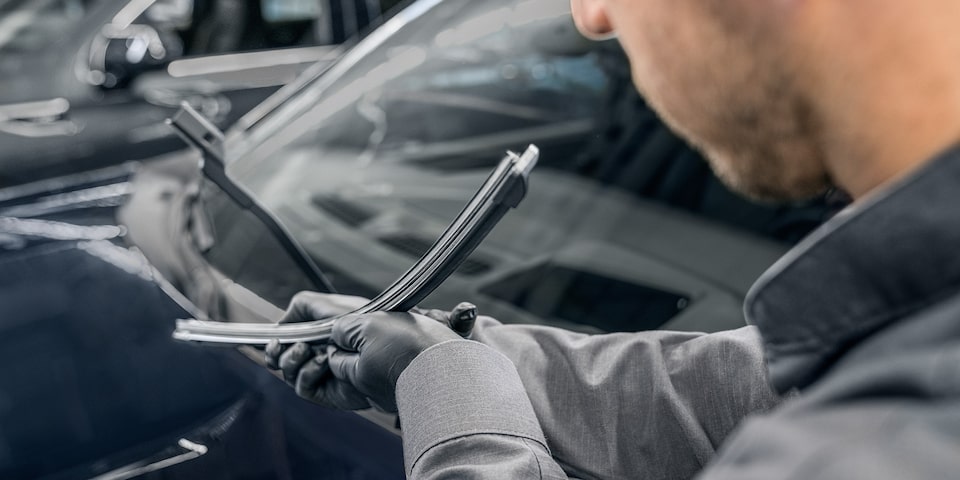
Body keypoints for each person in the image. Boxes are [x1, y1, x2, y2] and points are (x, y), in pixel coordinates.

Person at [265, 0, 960, 478]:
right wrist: (463, 362)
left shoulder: (882, 448)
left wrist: (456, 403)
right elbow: (752, 387)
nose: (590, 16)